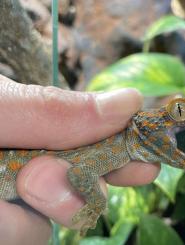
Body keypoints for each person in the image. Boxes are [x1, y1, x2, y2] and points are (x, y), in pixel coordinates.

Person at [0, 75, 160, 244]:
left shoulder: (118, 149)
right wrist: (97, 203)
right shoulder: (117, 146)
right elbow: (79, 174)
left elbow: (80, 173)